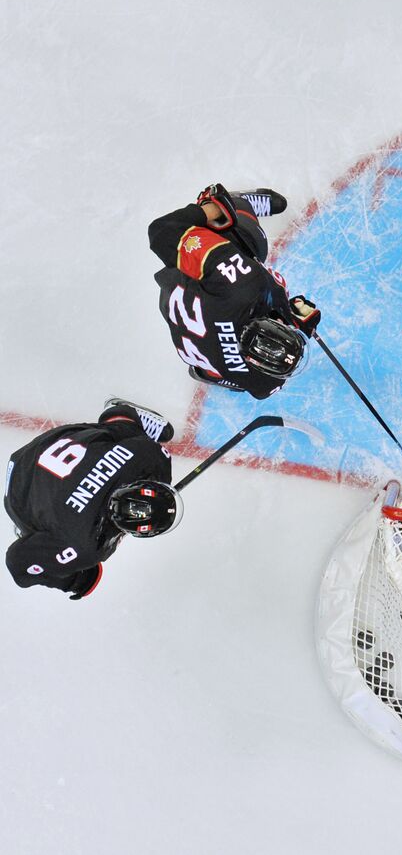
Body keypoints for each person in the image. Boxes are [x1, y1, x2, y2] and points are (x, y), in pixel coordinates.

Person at [148, 184, 320, 399]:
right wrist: (292, 321)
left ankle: (235, 204)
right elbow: (260, 391)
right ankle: (210, 374)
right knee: (224, 368)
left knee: (250, 239)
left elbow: (162, 231)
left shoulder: (243, 282)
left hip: (188, 280)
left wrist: (212, 210)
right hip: (188, 334)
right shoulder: (266, 383)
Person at [5, 400, 179, 600]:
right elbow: (19, 564)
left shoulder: (83, 546)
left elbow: (18, 566)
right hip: (28, 459)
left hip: (21, 492)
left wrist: (79, 580)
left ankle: (121, 416)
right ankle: (118, 417)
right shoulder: (149, 456)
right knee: (118, 437)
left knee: (122, 433)